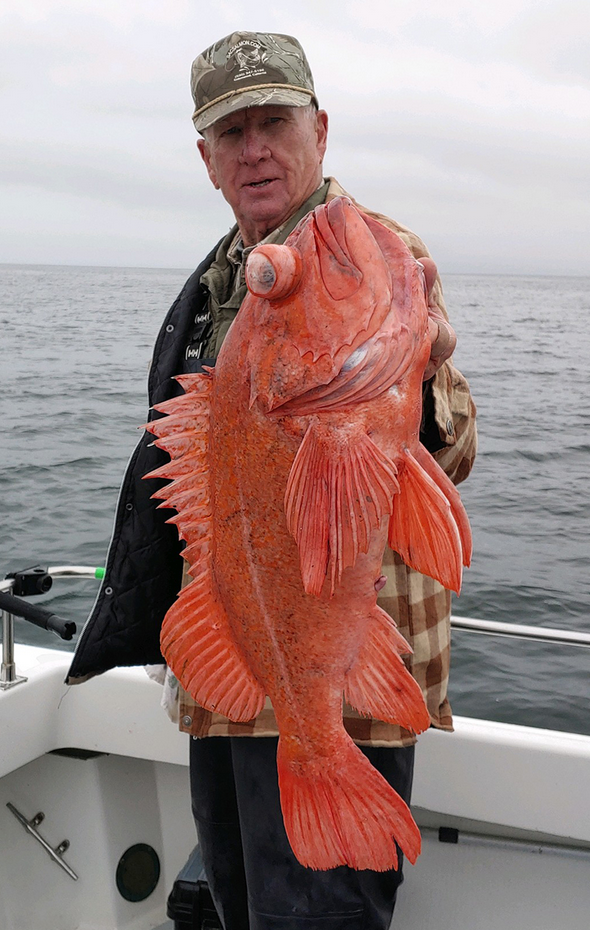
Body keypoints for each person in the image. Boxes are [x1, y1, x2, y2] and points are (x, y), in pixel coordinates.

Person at [66, 31, 477, 930]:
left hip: (341, 681)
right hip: (229, 685)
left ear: (319, 130)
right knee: (236, 908)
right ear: (207, 160)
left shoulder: (368, 253)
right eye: (232, 132)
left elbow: (448, 452)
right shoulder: (219, 280)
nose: (255, 149)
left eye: (274, 122)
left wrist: (427, 377)